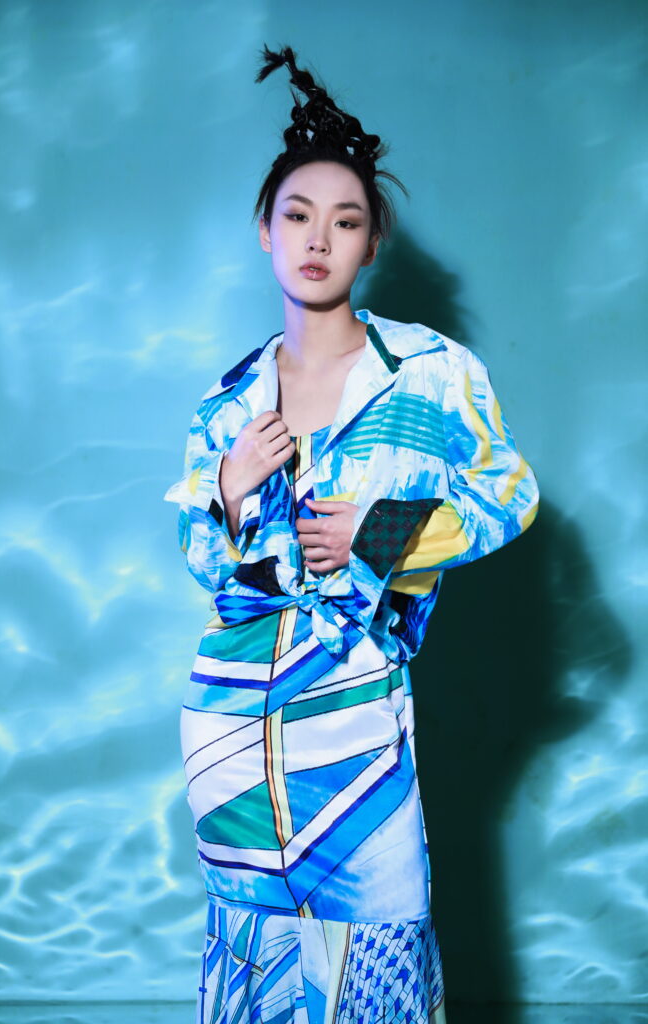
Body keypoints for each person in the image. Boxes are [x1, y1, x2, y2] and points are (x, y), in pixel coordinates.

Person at [163, 43, 539, 1024]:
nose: (317, 238)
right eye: (296, 215)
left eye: (345, 219)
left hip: (357, 709)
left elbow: (508, 494)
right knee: (251, 964)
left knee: (376, 958)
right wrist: (231, 496)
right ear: (264, 232)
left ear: (371, 244)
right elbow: (205, 568)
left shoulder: (429, 372)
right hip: (228, 723)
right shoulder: (225, 403)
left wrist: (386, 534)